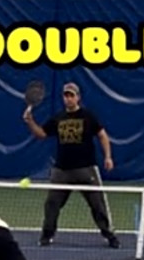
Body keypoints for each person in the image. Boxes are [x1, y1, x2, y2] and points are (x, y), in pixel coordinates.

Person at [23, 82, 120, 248]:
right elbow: (42, 134)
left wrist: (108, 157)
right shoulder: (58, 118)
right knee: (52, 204)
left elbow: (102, 136)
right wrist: (30, 122)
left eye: (71, 95)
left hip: (86, 169)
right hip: (62, 171)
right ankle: (47, 235)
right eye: (66, 95)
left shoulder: (88, 116)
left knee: (98, 205)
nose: (68, 99)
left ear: (78, 98)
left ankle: (109, 235)